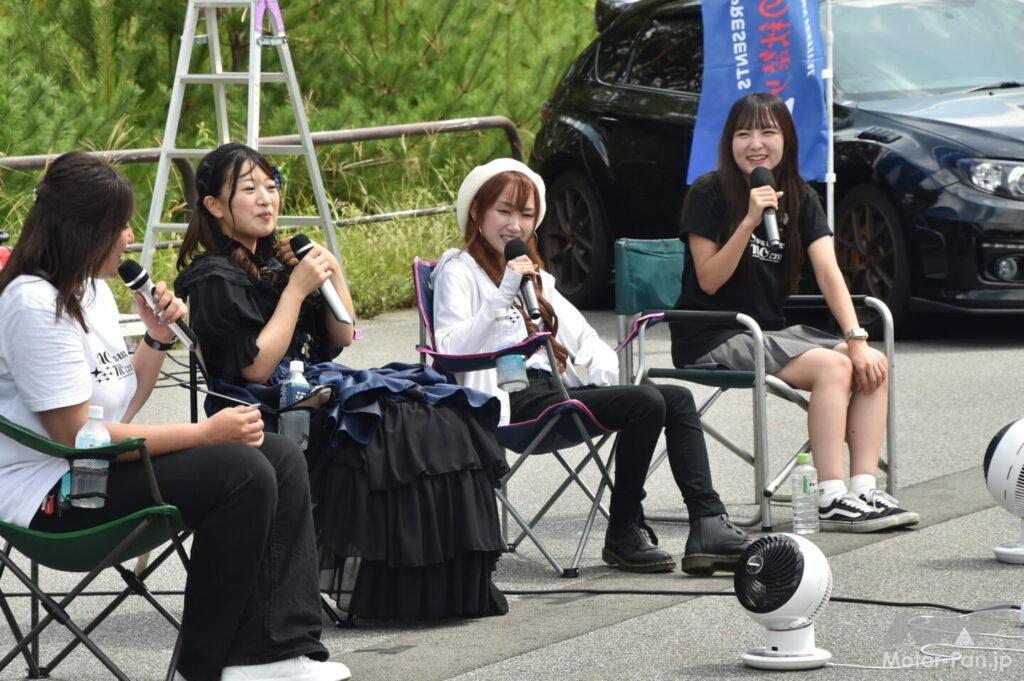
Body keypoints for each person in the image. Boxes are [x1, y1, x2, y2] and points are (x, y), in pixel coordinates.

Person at [0, 153, 350, 681]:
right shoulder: (33, 304)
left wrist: (157, 338)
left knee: (276, 454)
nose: (129, 236)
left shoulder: (91, 290)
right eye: (119, 225)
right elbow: (76, 438)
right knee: (240, 471)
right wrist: (204, 434)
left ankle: (275, 653)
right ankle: (206, 667)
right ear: (83, 230)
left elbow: (119, 407)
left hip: (97, 469)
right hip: (53, 496)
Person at [175, 143, 509, 621]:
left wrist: (333, 272)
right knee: (395, 430)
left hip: (311, 384)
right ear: (213, 205)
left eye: (271, 186)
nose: (266, 199)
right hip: (263, 403)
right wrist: (295, 292)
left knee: (440, 413)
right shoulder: (212, 276)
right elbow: (255, 368)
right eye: (249, 189)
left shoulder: (279, 262)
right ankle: (394, 593)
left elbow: (343, 334)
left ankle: (439, 591)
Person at [430, 158, 752, 576]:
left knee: (676, 398)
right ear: (477, 211)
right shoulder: (458, 269)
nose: (515, 225)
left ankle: (708, 523)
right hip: (506, 400)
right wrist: (502, 292)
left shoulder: (535, 277)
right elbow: (450, 349)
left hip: (553, 391)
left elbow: (585, 337)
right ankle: (623, 532)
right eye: (503, 211)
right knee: (645, 403)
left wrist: (601, 366)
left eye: (526, 215)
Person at [671, 92, 919, 533]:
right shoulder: (708, 193)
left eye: (767, 132)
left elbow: (828, 271)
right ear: (729, 141)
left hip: (768, 333)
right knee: (832, 367)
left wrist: (856, 338)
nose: (755, 144)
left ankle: (863, 489)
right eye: (743, 134)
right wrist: (749, 221)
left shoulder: (801, 197)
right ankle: (829, 497)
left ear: (786, 139)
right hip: (713, 335)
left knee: (870, 363)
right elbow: (708, 280)